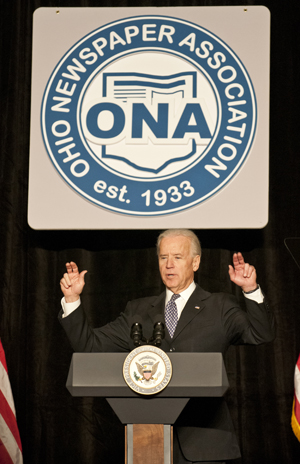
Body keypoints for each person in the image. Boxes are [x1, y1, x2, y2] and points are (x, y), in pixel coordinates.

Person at [59, 229, 275, 464]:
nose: (169, 265)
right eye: (163, 258)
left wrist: (250, 290)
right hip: (147, 443)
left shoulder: (220, 306)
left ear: (196, 262)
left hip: (204, 443)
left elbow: (261, 334)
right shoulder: (137, 310)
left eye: (178, 257)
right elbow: (89, 347)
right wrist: (72, 300)